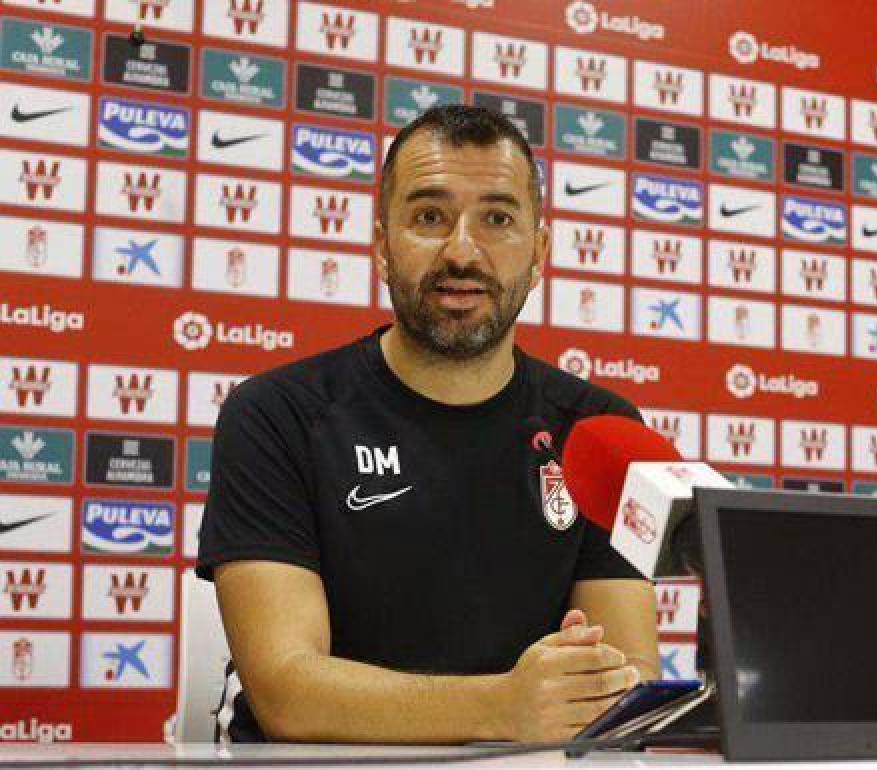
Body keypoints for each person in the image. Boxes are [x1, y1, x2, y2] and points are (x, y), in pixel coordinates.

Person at [196, 105, 659, 744]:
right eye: (429, 217)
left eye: (498, 218)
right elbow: (287, 694)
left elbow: (623, 685)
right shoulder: (276, 417)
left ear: (540, 250)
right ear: (383, 246)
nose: (463, 250)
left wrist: (579, 690)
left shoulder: (603, 430)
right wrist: (505, 707)